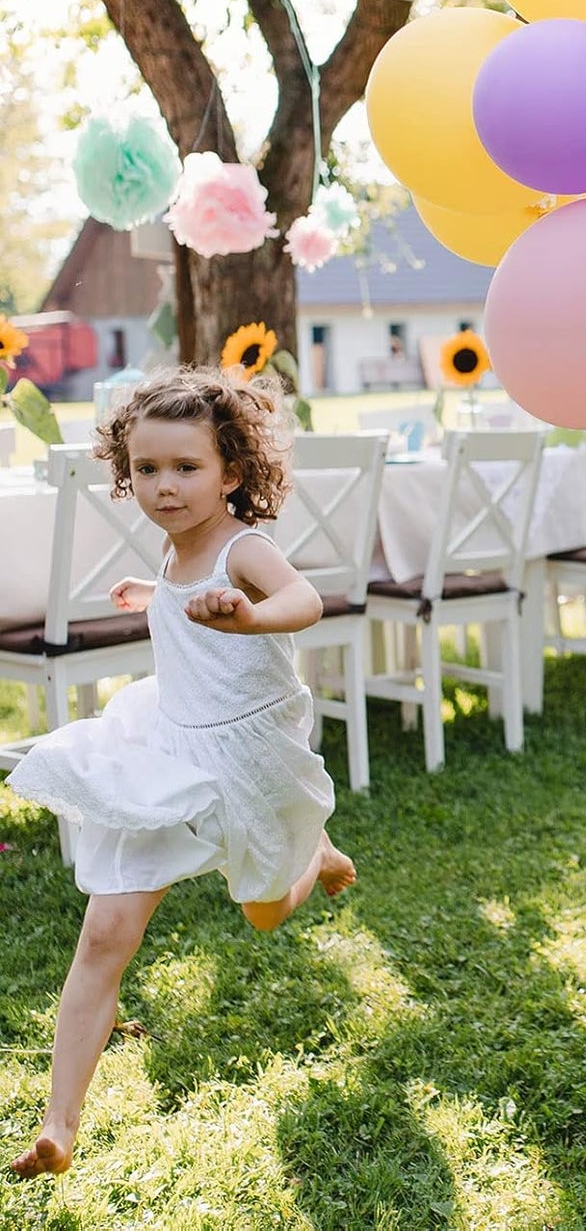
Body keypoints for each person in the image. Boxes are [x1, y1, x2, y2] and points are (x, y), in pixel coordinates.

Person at [8, 365, 355, 1179]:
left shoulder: (245, 547)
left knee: (266, 912)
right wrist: (155, 594)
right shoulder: (172, 546)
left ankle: (316, 855)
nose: (165, 487)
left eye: (187, 468)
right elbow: (184, 594)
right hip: (168, 746)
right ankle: (60, 1122)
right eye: (147, 469)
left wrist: (249, 615)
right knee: (106, 931)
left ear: (231, 472)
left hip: (248, 759)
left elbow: (304, 599)